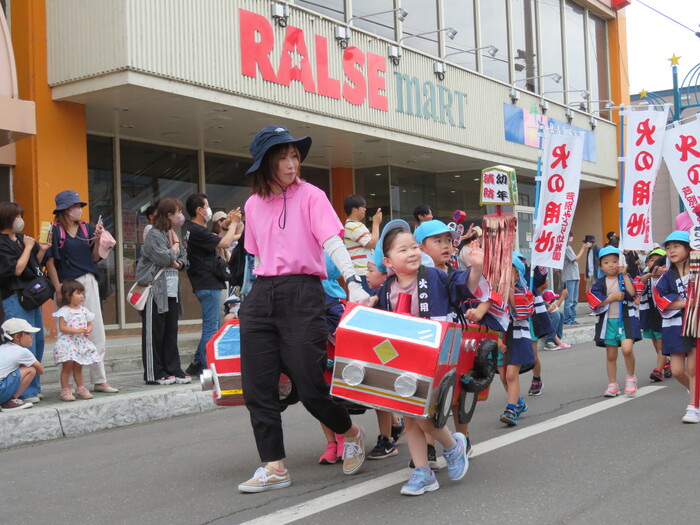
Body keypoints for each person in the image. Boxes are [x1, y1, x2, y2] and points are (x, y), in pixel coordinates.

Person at [237, 125, 369, 493]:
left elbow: (332, 242)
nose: (291, 163)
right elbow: (256, 258)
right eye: (283, 157)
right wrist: (241, 299)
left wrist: (354, 282)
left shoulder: (312, 195)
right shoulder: (252, 204)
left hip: (303, 292)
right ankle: (274, 466)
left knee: (310, 385)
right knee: (258, 389)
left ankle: (351, 432)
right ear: (266, 162)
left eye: (295, 156)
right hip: (262, 294)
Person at [372, 219, 478, 495]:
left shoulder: (436, 277)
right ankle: (423, 471)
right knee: (410, 416)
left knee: (419, 412)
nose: (411, 253)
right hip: (402, 360)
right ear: (388, 261)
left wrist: (476, 268)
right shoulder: (387, 288)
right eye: (403, 250)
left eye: (413, 247)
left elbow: (464, 286)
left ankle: (452, 446)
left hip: (433, 358)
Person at [45, 190, 118, 394]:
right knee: (65, 336)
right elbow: (50, 262)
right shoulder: (54, 230)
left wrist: (98, 239)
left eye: (79, 206)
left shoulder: (87, 228)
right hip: (66, 285)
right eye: (75, 206)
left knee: (95, 330)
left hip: (88, 281)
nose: (78, 209)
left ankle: (100, 380)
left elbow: (94, 258)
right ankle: (67, 385)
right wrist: (58, 289)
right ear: (65, 209)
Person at [181, 195, 242, 377]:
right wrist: (234, 224)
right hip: (207, 283)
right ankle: (208, 368)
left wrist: (226, 225)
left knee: (211, 325)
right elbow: (225, 243)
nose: (209, 209)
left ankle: (196, 363)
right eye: (207, 206)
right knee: (211, 328)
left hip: (204, 282)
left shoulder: (193, 229)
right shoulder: (196, 230)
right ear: (199, 210)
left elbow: (216, 241)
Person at [0, 201, 51, 403]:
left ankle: (33, 388)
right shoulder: (2, 243)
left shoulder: (23, 239)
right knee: (21, 344)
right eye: (17, 216)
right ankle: (24, 392)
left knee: (36, 341)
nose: (20, 220)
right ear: (6, 218)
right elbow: (17, 270)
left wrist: (41, 249)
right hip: (15, 297)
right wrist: (29, 247)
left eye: (21, 215)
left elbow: (33, 264)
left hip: (32, 296)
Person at [136, 198, 190, 385]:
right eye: (178, 212)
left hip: (172, 291)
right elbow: (164, 257)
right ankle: (155, 373)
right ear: (169, 215)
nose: (181, 216)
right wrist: (174, 248)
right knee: (155, 334)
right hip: (155, 291)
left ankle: (173, 369)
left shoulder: (172, 233)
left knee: (170, 332)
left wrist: (178, 262)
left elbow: (185, 258)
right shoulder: (154, 234)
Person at [654, 231, 698, 423]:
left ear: (689, 248)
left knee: (693, 368)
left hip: (696, 324)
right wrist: (688, 302)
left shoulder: (697, 271)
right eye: (668, 247)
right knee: (678, 370)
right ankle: (696, 394)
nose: (671, 250)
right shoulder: (666, 277)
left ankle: (693, 407)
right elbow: (661, 301)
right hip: (674, 326)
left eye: (676, 246)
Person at [586, 246, 641, 397]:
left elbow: (633, 293)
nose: (611, 265)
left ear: (621, 262)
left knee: (627, 349)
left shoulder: (625, 278)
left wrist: (625, 275)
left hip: (626, 320)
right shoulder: (599, 283)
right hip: (608, 322)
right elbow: (594, 300)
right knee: (611, 355)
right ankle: (612, 384)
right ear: (601, 266)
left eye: (615, 261)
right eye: (606, 262)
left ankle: (631, 378)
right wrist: (612, 298)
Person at [498, 256, 535, 426]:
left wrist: (510, 291)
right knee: (504, 377)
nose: (503, 275)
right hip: (500, 338)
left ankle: (511, 409)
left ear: (518, 274)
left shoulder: (525, 293)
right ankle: (518, 403)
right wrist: (497, 340)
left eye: (508, 271)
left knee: (511, 375)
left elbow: (523, 311)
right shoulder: (494, 294)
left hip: (518, 337)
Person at [52, 280, 101, 401]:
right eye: (78, 293)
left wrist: (88, 329)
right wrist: (77, 330)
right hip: (67, 343)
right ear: (68, 295)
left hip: (80, 343)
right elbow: (62, 327)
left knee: (79, 366)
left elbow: (89, 324)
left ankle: (81, 388)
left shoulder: (84, 310)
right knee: (67, 367)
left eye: (82, 293)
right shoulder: (64, 311)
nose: (82, 296)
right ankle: (65, 390)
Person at [0, 318, 44, 410]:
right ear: (17, 337)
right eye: (28, 333)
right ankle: (9, 401)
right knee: (31, 369)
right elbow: (40, 370)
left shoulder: (2, 348)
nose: (32, 336)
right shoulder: (22, 352)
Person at [638, 248, 668, 382]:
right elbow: (639, 284)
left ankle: (658, 370)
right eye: (651, 260)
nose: (655, 263)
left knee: (661, 343)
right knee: (655, 342)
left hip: (662, 314)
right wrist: (650, 274)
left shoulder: (667, 277)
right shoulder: (645, 276)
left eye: (658, 261)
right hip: (648, 313)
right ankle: (666, 362)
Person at [343, 194, 382, 295]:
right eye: (363, 206)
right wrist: (376, 223)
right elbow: (372, 243)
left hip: (365, 271)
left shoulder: (358, 225)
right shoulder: (351, 226)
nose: (365, 209)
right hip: (361, 272)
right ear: (354, 209)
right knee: (368, 300)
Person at [562, 233, 587, 325]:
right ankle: (568, 319)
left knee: (575, 300)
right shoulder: (566, 248)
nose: (571, 238)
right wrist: (583, 249)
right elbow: (576, 259)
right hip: (569, 277)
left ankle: (572, 318)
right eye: (569, 236)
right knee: (569, 300)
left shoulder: (569, 247)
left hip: (574, 276)